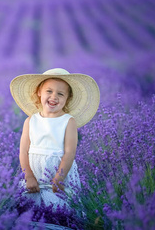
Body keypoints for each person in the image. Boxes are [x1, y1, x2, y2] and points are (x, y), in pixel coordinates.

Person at [10, 68, 100, 208]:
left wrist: (60, 177)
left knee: (59, 208)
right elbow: (23, 151)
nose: (54, 97)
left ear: (67, 98)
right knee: (29, 207)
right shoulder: (30, 121)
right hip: (34, 176)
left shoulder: (68, 121)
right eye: (49, 91)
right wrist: (28, 176)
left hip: (58, 176)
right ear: (39, 92)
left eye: (60, 93)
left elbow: (69, 153)